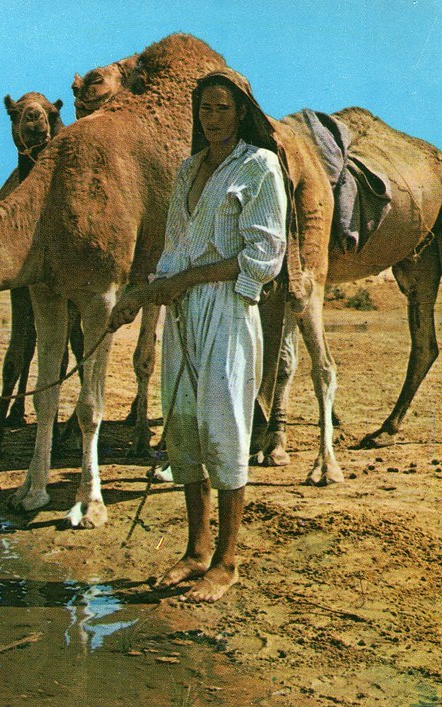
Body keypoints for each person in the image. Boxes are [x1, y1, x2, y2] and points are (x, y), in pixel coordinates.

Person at [109, 68, 288, 603]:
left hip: (229, 310)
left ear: (242, 112)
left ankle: (228, 561)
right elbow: (173, 251)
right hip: (183, 311)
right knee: (183, 428)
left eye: (223, 109)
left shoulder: (259, 167)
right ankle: (195, 549)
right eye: (205, 109)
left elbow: (264, 258)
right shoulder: (187, 170)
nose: (213, 119)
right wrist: (140, 298)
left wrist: (187, 279)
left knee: (225, 426)